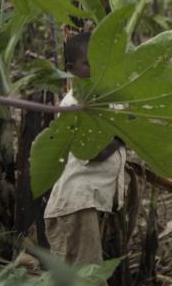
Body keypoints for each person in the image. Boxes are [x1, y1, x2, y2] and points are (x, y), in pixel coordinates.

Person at [44, 32, 127, 267]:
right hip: (76, 205)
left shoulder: (107, 99)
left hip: (89, 203)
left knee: (89, 273)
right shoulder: (73, 105)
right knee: (85, 276)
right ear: (71, 68)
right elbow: (91, 153)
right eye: (88, 63)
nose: (96, 68)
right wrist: (125, 135)